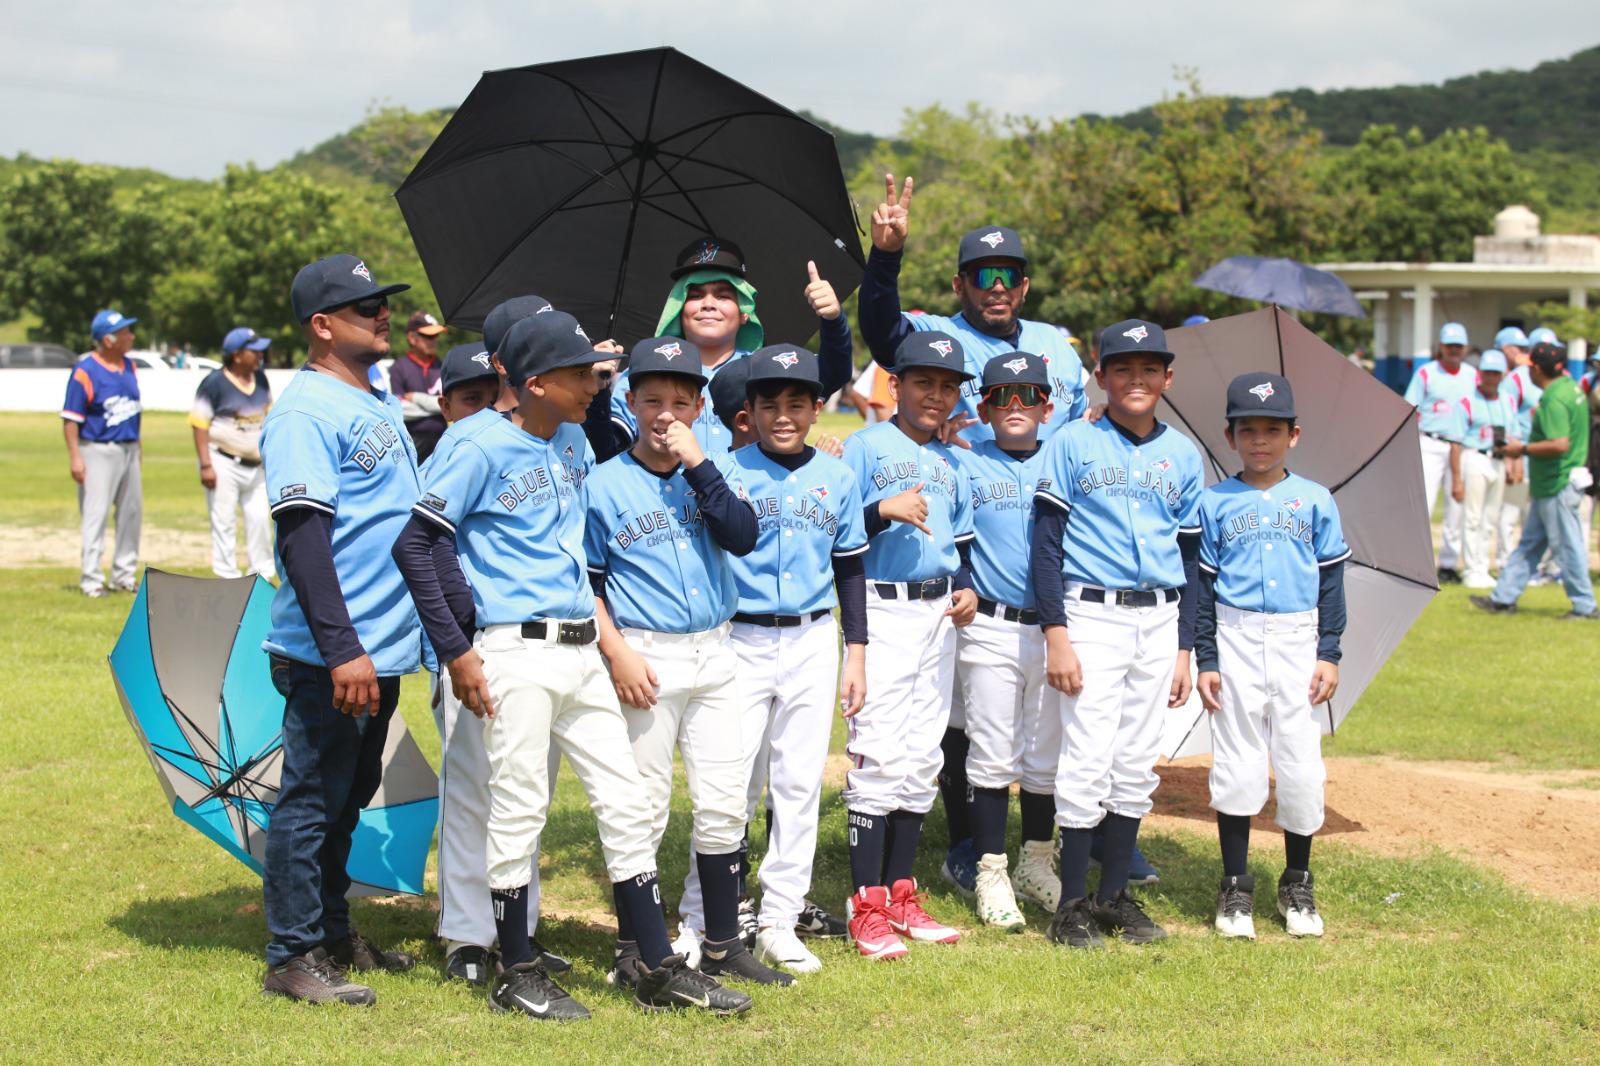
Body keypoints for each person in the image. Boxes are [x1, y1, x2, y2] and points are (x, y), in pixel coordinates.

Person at [394, 311, 752, 1018]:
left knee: (625, 803)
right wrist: (457, 650)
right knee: (520, 806)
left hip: (581, 645)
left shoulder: (571, 441)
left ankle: (654, 965)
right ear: (534, 382)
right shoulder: (473, 445)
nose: (596, 383)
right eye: (579, 373)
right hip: (511, 649)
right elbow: (417, 544)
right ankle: (515, 967)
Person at [585, 338, 789, 989]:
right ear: (631, 402)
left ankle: (724, 943)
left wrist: (700, 465)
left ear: (700, 406)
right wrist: (615, 650)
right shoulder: (605, 481)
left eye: (680, 400)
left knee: (727, 802)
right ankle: (632, 948)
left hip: (716, 652)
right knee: (641, 807)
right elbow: (585, 582)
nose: (665, 413)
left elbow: (744, 536)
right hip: (646, 653)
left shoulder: (711, 467)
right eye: (652, 400)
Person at [259, 255, 422, 1005]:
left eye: (382, 303)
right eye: (363, 307)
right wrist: (342, 649)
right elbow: (302, 539)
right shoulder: (304, 411)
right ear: (322, 326)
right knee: (311, 801)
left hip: (378, 648)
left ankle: (328, 931)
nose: (381, 314)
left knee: (349, 796)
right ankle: (292, 955)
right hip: (335, 651)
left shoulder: (375, 398)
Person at [677, 345, 868, 974]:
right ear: (748, 411)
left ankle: (780, 919)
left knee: (797, 783)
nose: (783, 415)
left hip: (814, 637)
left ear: (818, 408)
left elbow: (849, 568)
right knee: (729, 782)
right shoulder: (724, 470)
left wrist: (857, 652)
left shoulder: (838, 477)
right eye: (768, 403)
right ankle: (703, 917)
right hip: (742, 637)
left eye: (796, 402)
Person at [1030, 319, 1202, 950]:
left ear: (1167, 378)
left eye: (1149, 368)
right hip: (1092, 612)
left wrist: (1185, 648)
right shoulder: (1073, 441)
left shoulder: (1182, 455)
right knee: (1086, 754)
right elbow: (1045, 546)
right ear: (1100, 375)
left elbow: (1189, 563)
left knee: (1135, 758)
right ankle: (1072, 902)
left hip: (1158, 617)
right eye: (1123, 368)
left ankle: (1112, 897)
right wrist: (1057, 633)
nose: (1136, 379)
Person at [416, 339, 573, 985]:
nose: (483, 409)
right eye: (470, 398)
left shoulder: (543, 441)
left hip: (533, 649)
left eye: (491, 396)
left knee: (525, 792)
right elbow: (425, 546)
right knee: (472, 792)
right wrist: (455, 648)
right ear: (446, 404)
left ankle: (519, 931)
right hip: (472, 646)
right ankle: (465, 937)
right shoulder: (459, 449)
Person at [1194, 372, 1349, 941]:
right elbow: (1203, 590)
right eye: (1249, 429)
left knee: (1300, 757)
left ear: (1294, 435)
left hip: (1297, 635)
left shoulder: (1314, 499)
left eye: (1274, 430)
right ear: (1231, 436)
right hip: (1234, 633)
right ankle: (1235, 885)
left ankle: (1297, 879)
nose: (1261, 440)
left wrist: (1329, 652)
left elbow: (1332, 583)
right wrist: (1206, 658)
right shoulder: (1214, 501)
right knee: (1236, 758)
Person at [839, 330, 978, 961]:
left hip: (938, 613)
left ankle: (900, 893)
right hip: (883, 608)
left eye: (948, 386)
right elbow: (835, 531)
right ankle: (864, 901)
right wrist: (878, 511)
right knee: (877, 751)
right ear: (896, 383)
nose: (936, 394)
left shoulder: (955, 461)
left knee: (923, 754)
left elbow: (964, 543)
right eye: (924, 381)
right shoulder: (864, 447)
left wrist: (969, 587)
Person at [949, 352, 1059, 930]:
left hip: (1056, 626)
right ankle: (991, 871)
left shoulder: (1063, 462)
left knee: (1045, 756)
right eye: (1000, 396)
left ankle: (1037, 860)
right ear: (983, 407)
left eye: (1027, 395)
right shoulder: (966, 465)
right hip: (989, 624)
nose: (1014, 406)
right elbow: (954, 544)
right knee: (991, 753)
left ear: (1047, 405)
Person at [857, 174, 1089, 445]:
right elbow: (882, 330)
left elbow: (1083, 423)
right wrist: (886, 256)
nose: (998, 288)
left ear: (1024, 286)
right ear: (958, 286)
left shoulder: (1055, 342)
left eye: (1009, 276)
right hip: (969, 482)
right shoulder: (939, 335)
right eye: (984, 277)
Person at [603, 237, 855, 459]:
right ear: (678, 310)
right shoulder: (641, 375)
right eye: (695, 295)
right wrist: (598, 390)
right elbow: (609, 447)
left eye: (723, 295)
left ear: (744, 313)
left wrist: (833, 320)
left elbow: (834, 373)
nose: (708, 304)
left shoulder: (765, 371)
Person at [1473, 341, 1597, 620]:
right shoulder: (1571, 388)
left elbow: (1559, 443)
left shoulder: (1554, 399)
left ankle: (1585, 606)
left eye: (1530, 367)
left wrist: (1522, 449)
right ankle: (1503, 598)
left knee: (1567, 546)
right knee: (1530, 544)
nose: (1527, 371)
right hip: (1552, 483)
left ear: (1538, 369)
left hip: (1557, 483)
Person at [61, 309, 143, 598]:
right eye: (124, 332)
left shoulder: (129, 366)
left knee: (132, 515)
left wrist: (138, 450)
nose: (130, 336)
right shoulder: (86, 371)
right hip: (97, 450)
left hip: (129, 448)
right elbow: (71, 418)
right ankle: (92, 579)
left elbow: (135, 413)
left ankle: (123, 575)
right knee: (95, 515)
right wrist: (75, 457)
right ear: (108, 340)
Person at [191, 326, 276, 580]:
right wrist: (206, 464)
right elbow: (199, 423)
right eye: (254, 351)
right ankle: (226, 576)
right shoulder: (214, 383)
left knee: (260, 520)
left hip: (256, 464)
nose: (260, 355)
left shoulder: (260, 379)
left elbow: (268, 415)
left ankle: (261, 575)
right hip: (223, 461)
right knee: (224, 521)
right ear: (237, 355)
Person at [1404, 322, 1479, 583]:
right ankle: (1416, 562)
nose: (1454, 350)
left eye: (1458, 346)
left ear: (1465, 348)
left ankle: (1448, 563)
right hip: (1430, 442)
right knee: (1423, 502)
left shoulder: (1472, 375)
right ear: (1441, 346)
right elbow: (1410, 407)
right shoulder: (1427, 372)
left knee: (1456, 504)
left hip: (1461, 445)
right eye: (1450, 345)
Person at [1448, 350, 1515, 590]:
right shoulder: (1467, 400)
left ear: (1502, 375)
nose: (1491, 378)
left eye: (1496, 373)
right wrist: (1456, 479)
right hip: (1474, 457)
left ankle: (1483, 567)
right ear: (1480, 374)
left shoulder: (1507, 400)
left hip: (1498, 459)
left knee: (1490, 518)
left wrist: (1511, 464)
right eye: (1487, 372)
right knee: (1472, 516)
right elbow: (1455, 442)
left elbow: (1511, 435)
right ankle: (1470, 569)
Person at [1494, 326, 1534, 564]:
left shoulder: (1533, 376)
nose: (1522, 353)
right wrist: (1512, 458)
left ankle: (1529, 565)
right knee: (1509, 513)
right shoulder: (1512, 380)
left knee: (1531, 517)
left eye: (1524, 348)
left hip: (1536, 455)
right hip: (1518, 453)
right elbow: (1506, 420)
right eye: (1517, 348)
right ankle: (1505, 562)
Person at [388, 310, 449, 462]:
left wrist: (415, 398)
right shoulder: (399, 367)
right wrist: (436, 408)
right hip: (412, 440)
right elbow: (399, 409)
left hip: (442, 439)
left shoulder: (443, 367)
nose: (434, 340)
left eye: (436, 336)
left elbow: (450, 404)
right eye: (428, 336)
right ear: (412, 338)